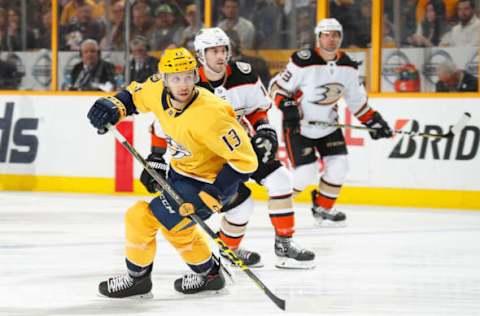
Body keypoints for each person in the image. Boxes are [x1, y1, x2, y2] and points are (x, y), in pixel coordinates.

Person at [87, 47, 258, 298]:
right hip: (180, 174)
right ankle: (209, 274)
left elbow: (246, 161)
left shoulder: (213, 113)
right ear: (164, 79)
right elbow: (133, 97)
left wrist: (217, 190)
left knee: (141, 217)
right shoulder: (157, 89)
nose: (183, 84)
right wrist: (113, 106)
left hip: (207, 183)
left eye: (188, 76)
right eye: (176, 78)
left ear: (196, 76)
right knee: (177, 227)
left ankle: (138, 280)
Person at [189, 27, 314, 268]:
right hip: (210, 157)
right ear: (201, 55)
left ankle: (284, 244)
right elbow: (167, 122)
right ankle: (229, 250)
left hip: (241, 147)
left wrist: (265, 130)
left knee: (281, 179)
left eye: (223, 49)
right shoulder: (188, 83)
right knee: (243, 206)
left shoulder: (243, 74)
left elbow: (257, 110)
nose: (220, 55)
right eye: (213, 51)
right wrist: (158, 155)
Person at [269, 18, 393, 226]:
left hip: (328, 126)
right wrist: (288, 107)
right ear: (319, 37)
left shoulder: (349, 66)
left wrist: (373, 120)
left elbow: (356, 100)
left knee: (340, 166)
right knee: (306, 173)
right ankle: (280, 205)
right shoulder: (303, 61)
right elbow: (277, 86)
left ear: (340, 37)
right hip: (299, 126)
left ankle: (323, 208)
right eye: (326, 34)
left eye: (335, 34)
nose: (331, 38)